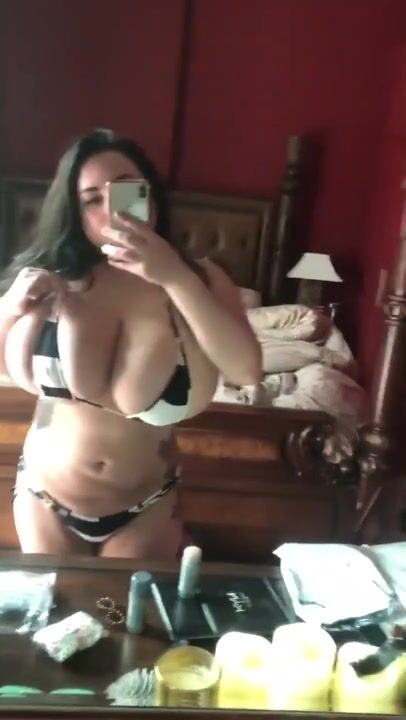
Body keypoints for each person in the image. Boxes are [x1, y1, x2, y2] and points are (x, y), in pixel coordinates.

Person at [0, 128, 262, 558]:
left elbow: (246, 370)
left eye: (125, 190)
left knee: (124, 603)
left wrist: (174, 277)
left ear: (151, 196)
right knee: (53, 602)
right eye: (91, 200)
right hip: (44, 498)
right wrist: (10, 307)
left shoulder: (201, 278)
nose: (111, 210)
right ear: (75, 212)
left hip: (145, 508)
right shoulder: (52, 274)